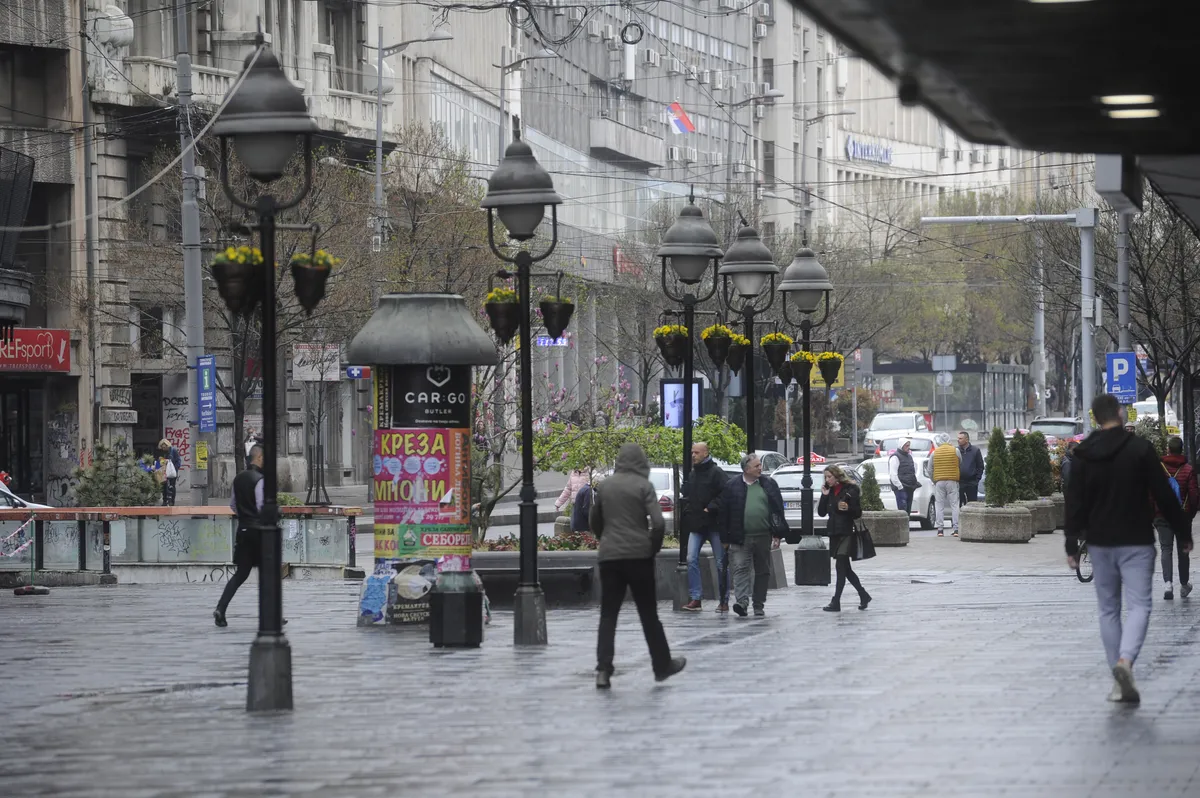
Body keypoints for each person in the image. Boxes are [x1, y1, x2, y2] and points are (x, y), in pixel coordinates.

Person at [1065, 394, 1192, 704]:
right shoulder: (1140, 449)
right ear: (1120, 414)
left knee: (1108, 609)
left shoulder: (1082, 454)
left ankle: (1117, 679)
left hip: (1099, 541)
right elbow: (1163, 494)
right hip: (1136, 539)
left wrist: (1071, 543)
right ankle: (1126, 662)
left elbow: (1074, 501)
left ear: (1095, 417)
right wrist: (1182, 531)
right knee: (1139, 606)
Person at [589, 443, 686, 689]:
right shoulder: (644, 486)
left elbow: (595, 519)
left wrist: (606, 540)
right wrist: (651, 548)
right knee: (648, 614)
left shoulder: (605, 486)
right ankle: (662, 665)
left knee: (608, 615)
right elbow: (659, 523)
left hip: (610, 557)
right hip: (639, 557)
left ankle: (603, 670)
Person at [717, 453, 787, 618]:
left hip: (764, 535)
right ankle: (742, 602)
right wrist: (724, 539)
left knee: (763, 571)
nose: (760, 468)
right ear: (746, 469)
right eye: (756, 466)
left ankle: (758, 604)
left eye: (760, 465)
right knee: (740, 569)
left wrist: (778, 534)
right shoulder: (732, 486)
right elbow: (723, 513)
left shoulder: (768, 484)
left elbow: (777, 510)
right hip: (741, 537)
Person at [215, 444, 266, 627]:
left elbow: (233, 505)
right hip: (259, 533)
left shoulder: (238, 479)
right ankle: (271, 614)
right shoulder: (260, 479)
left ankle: (221, 608)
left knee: (240, 574)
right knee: (268, 574)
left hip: (243, 531)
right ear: (259, 458)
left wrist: (244, 516)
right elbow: (262, 506)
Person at [683, 442, 729, 612]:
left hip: (714, 524)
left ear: (705, 453)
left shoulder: (716, 473)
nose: (693, 455)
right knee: (691, 558)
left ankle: (724, 600)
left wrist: (711, 507)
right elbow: (689, 495)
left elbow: (726, 493)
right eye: (692, 452)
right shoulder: (694, 473)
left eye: (696, 452)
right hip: (697, 523)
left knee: (720, 563)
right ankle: (696, 597)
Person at [819, 465, 870, 612]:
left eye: (830, 476)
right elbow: (822, 512)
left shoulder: (850, 490)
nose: (827, 479)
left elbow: (857, 512)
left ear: (837, 476)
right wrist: (824, 495)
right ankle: (863, 594)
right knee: (845, 569)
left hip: (847, 532)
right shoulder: (829, 491)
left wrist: (848, 508)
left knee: (840, 566)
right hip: (834, 533)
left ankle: (836, 601)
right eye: (826, 477)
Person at [1157, 436, 1199, 600]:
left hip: (1163, 515)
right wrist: (1190, 513)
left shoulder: (1159, 469)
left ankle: (1168, 584)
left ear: (1168, 449)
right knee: (1183, 551)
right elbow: (1194, 495)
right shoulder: (1188, 470)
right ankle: (1183, 584)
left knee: (1165, 549)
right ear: (1181, 450)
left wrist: (1155, 513)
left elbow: (1151, 493)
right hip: (1182, 516)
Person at [931, 439, 961, 537]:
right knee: (954, 505)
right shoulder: (955, 450)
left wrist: (934, 480)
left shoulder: (935, 452)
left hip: (939, 482)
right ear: (949, 441)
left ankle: (940, 529)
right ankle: (956, 529)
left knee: (939, 505)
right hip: (952, 481)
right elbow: (960, 462)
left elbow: (929, 468)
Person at [888, 439, 920, 515]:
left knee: (908, 511)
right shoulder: (895, 457)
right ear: (901, 445)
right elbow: (893, 475)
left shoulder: (909, 457)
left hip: (910, 488)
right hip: (901, 489)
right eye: (906, 445)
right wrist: (900, 487)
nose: (908, 447)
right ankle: (903, 526)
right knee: (903, 511)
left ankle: (907, 526)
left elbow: (912, 471)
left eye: (909, 445)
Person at [958, 431, 984, 505]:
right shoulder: (956, 451)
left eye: (960, 438)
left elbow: (980, 466)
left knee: (972, 504)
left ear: (966, 439)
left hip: (972, 482)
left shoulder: (975, 451)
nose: (958, 440)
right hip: (960, 482)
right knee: (958, 504)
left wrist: (977, 479)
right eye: (958, 438)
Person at [158, 438, 182, 507]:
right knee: (164, 487)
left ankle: (171, 501)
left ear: (167, 446)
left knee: (171, 486)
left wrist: (174, 469)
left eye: (164, 447)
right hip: (165, 471)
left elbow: (178, 461)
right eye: (162, 447)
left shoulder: (173, 451)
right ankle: (165, 501)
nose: (163, 449)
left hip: (172, 471)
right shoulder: (163, 452)